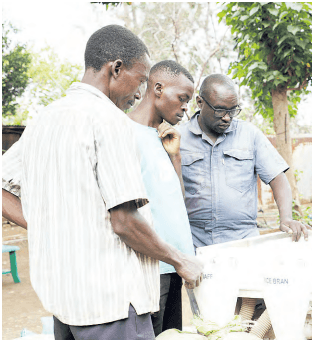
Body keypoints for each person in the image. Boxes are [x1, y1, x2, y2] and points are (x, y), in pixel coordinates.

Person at [2, 25, 202, 340]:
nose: (140, 93)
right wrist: (179, 259)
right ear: (116, 69)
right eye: (140, 80)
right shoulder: (110, 122)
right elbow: (124, 221)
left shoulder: (45, 119)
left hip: (65, 301)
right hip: (112, 304)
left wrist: (45, 225)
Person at [178, 74, 311, 248]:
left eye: (232, 111)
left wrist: (286, 218)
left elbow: (278, 179)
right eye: (220, 110)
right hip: (194, 241)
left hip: (243, 240)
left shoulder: (250, 135)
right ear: (200, 102)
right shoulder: (178, 138)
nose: (227, 117)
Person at [127, 60, 197, 336]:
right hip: (149, 268)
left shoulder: (161, 138)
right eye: (182, 98)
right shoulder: (124, 132)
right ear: (158, 89)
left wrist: (175, 157)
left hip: (173, 266)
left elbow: (176, 199)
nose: (184, 108)